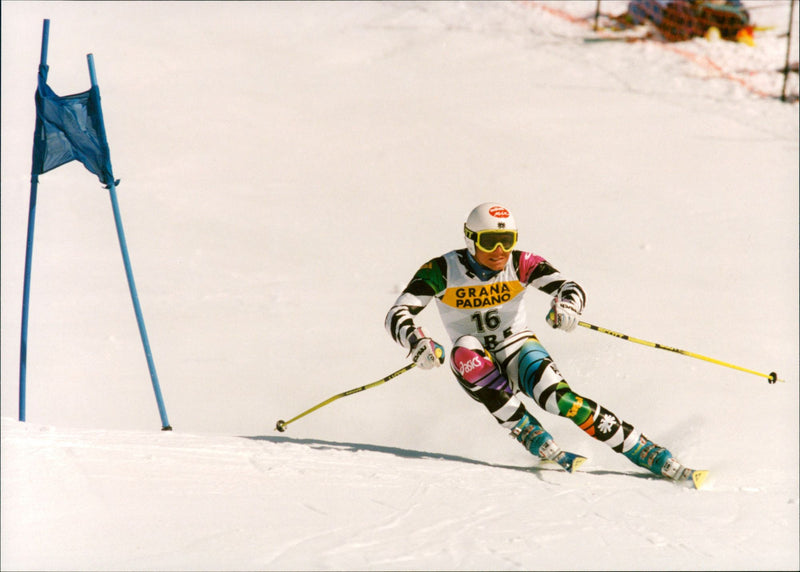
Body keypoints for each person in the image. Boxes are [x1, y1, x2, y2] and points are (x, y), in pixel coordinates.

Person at [385, 202, 692, 482]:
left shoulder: (521, 264)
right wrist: (417, 342)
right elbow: (397, 313)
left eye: (507, 241)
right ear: (470, 239)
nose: (499, 251)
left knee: (560, 401)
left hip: (517, 348)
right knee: (465, 349)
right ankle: (526, 428)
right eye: (490, 241)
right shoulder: (442, 270)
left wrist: (567, 306)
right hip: (474, 360)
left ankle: (643, 449)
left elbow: (568, 286)